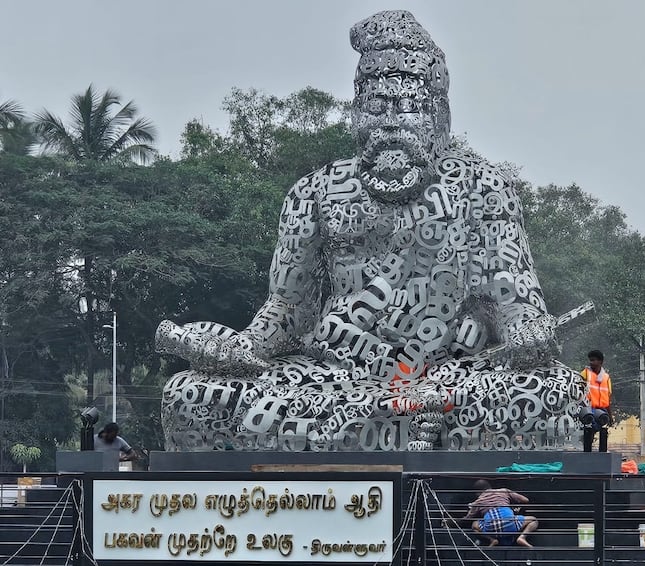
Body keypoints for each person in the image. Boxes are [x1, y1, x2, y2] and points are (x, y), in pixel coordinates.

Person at [154, 10, 587, 452]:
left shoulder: (483, 187)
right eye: (376, 108)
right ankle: (400, 426)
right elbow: (288, 309)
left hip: (451, 374)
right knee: (190, 395)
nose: (391, 124)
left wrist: (528, 329)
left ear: (439, 118)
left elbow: (514, 301)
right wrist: (243, 347)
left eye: (408, 108)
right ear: (357, 112)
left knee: (554, 392)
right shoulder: (314, 192)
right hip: (334, 376)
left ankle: (382, 426)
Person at [462, 479, 538, 547]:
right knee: (533, 520)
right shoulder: (503, 491)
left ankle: (492, 539)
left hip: (491, 529)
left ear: (477, 493)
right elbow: (525, 500)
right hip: (510, 524)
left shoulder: (478, 501)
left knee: (474, 525)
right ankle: (522, 537)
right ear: (490, 487)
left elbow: (468, 518)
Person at [581, 350, 612, 452]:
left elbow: (608, 397)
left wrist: (610, 415)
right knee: (590, 428)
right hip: (589, 408)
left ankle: (602, 454)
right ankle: (587, 453)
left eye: (593, 360)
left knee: (603, 428)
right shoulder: (585, 373)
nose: (591, 362)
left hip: (602, 409)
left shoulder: (606, 378)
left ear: (600, 362)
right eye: (590, 360)